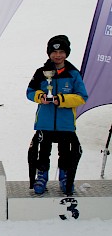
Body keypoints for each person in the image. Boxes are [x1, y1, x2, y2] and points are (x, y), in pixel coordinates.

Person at [26, 35, 88, 195]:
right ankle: (42, 176)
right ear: (49, 53)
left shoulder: (73, 74)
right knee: (43, 152)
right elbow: (30, 92)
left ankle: (64, 176)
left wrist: (61, 99)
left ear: (66, 53)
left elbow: (82, 97)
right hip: (44, 123)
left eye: (61, 52)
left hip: (65, 124)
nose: (57, 55)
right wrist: (40, 96)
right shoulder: (41, 72)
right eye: (54, 52)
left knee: (66, 153)